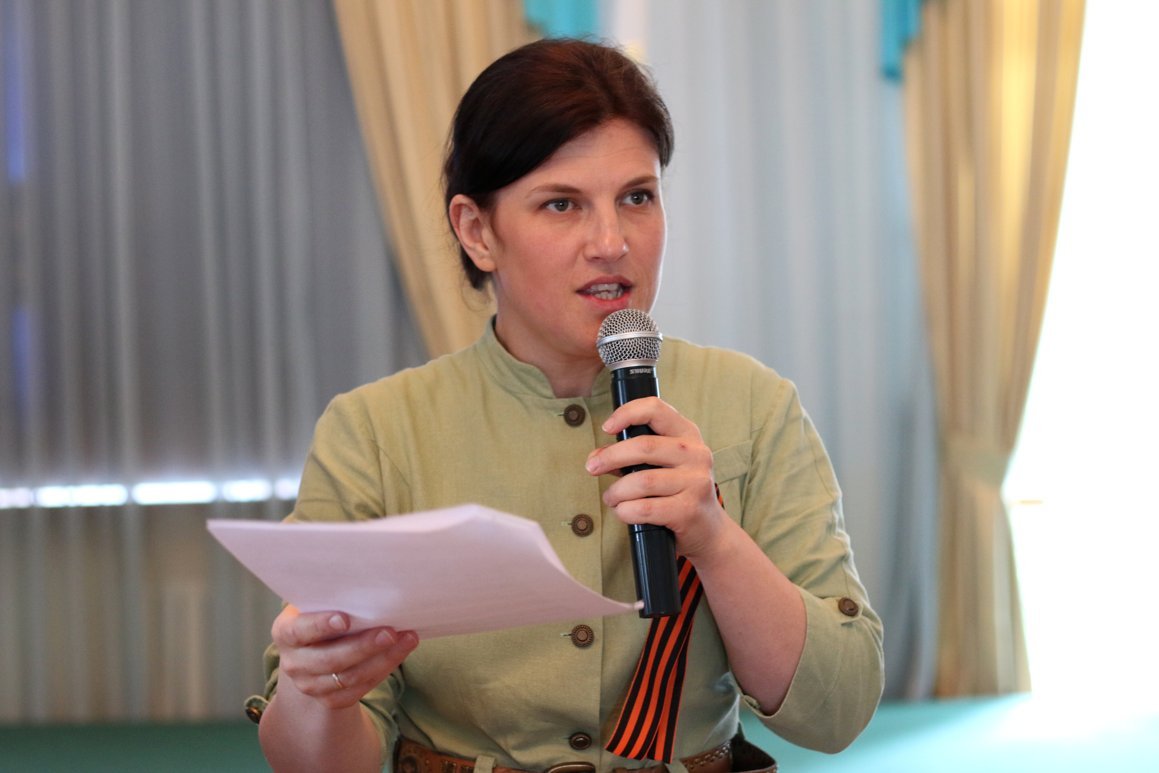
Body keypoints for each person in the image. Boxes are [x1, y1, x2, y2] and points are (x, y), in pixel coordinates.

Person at [253, 38, 883, 773]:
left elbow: (837, 711)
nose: (611, 243)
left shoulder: (752, 404)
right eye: (562, 204)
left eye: (637, 197)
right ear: (477, 231)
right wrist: (320, 689)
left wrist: (714, 539)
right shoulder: (376, 432)